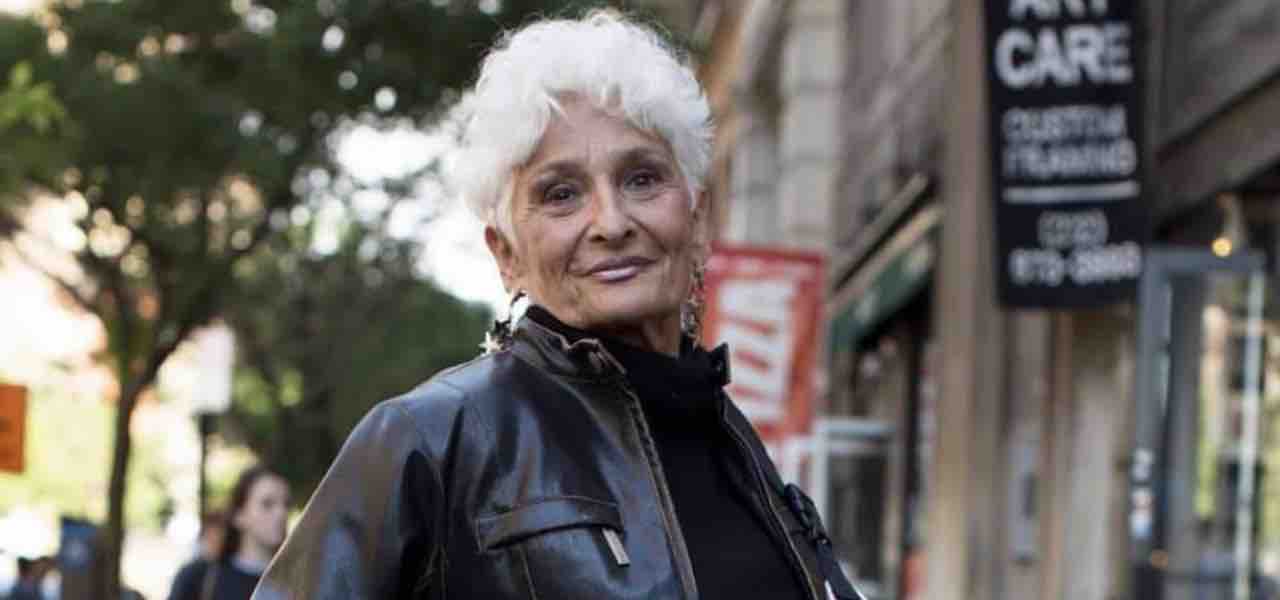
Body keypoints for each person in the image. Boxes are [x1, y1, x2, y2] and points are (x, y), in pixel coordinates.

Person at [254, 10, 861, 600]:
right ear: (506, 254)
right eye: (561, 194)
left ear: (698, 220)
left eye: (642, 178)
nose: (612, 223)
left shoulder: (730, 438)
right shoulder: (431, 439)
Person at [169, 467, 289, 600]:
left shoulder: (296, 583)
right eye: (267, 504)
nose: (281, 514)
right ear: (239, 515)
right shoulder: (198, 577)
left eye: (286, 504)